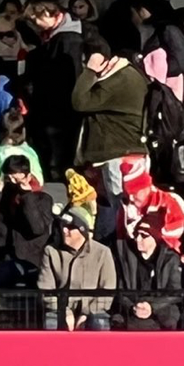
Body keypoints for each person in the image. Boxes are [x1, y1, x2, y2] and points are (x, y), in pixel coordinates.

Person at [72, 30, 146, 238]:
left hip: (118, 154)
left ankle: (115, 251)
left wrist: (90, 71)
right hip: (119, 152)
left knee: (118, 208)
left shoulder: (119, 80)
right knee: (113, 207)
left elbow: (80, 101)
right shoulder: (125, 76)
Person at [22, 0, 83, 173]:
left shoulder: (68, 39)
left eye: (36, 20)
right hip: (53, 107)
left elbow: (65, 78)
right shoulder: (53, 38)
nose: (35, 25)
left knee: (60, 155)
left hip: (61, 109)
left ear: (49, 14)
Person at [0, 155, 53, 286]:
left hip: (32, 263)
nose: (12, 183)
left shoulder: (42, 199)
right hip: (3, 260)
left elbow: (37, 229)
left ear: (27, 177)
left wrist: (27, 197)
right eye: (8, 178)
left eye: (16, 179)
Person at [38, 205, 115, 330]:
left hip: (93, 311)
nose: (64, 231)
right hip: (60, 308)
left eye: (70, 228)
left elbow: (107, 292)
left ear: (82, 230)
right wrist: (64, 311)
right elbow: (46, 289)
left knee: (99, 321)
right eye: (63, 226)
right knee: (51, 321)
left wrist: (86, 314)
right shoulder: (51, 251)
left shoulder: (102, 252)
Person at [112, 216, 183, 330]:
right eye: (137, 235)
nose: (138, 239)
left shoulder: (170, 259)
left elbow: (175, 292)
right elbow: (119, 290)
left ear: (155, 238)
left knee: (170, 317)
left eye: (144, 236)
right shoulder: (125, 257)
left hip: (159, 309)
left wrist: (152, 307)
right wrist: (132, 307)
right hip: (132, 308)